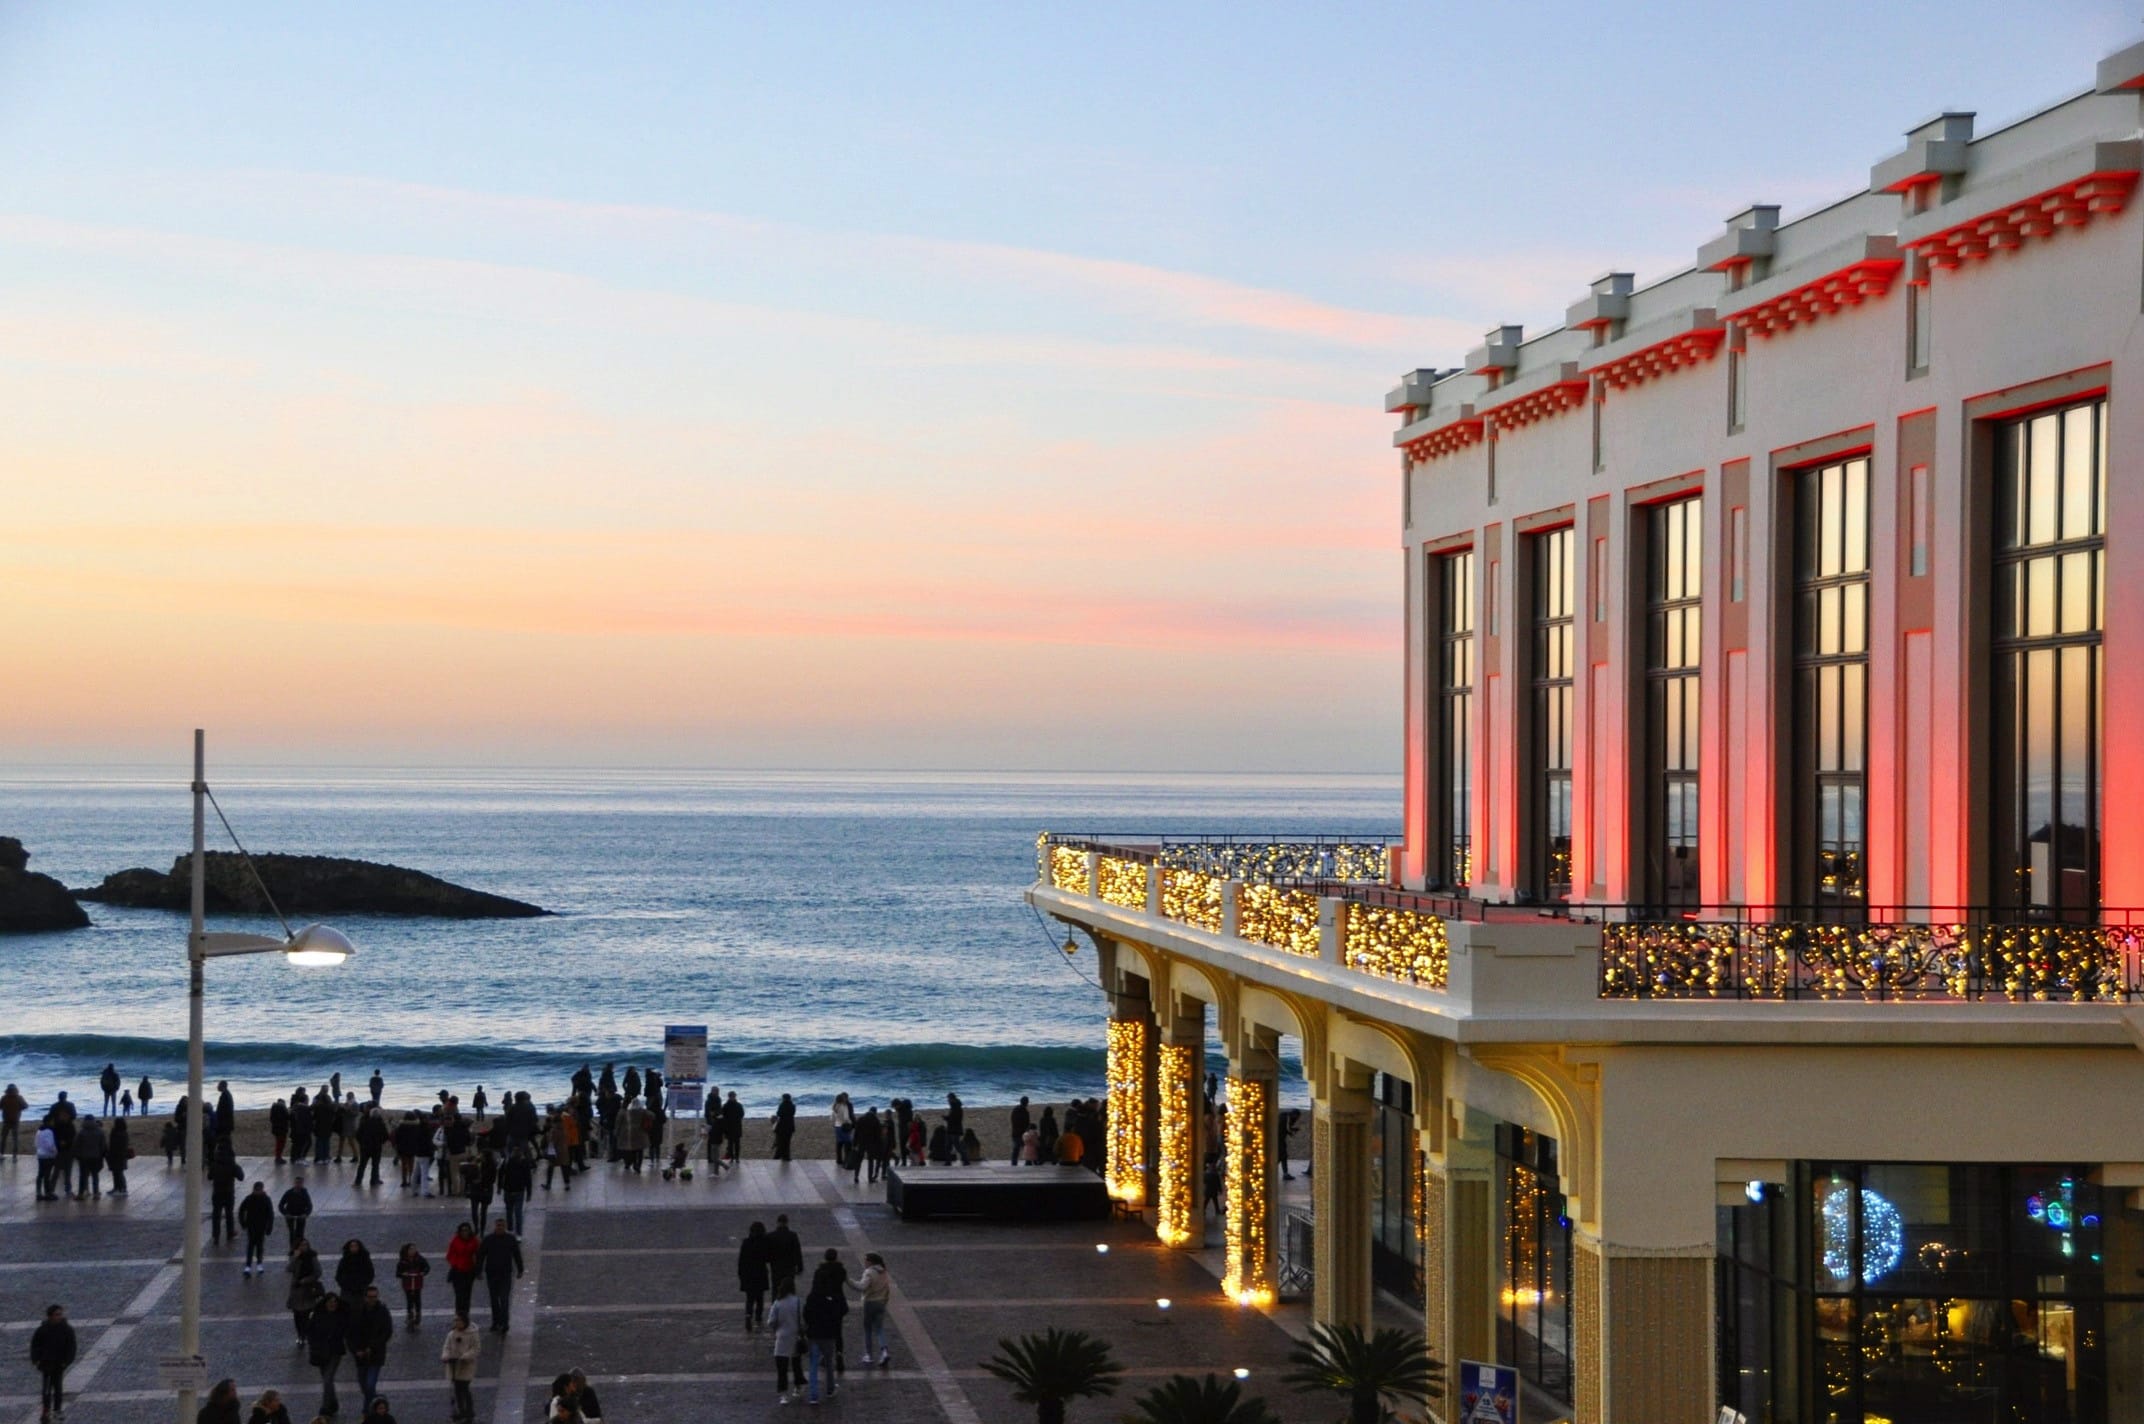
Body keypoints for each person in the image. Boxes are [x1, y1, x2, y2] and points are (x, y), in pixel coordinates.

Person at [802, 1275, 847, 1404]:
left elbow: (806, 1314)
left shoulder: (811, 1298)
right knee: (828, 1363)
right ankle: (830, 1389)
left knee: (813, 1365)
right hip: (828, 1335)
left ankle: (813, 1395)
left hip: (814, 1335)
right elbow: (837, 1314)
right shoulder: (831, 1298)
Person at [348, 1284, 393, 1410]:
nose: (373, 1299)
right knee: (364, 1385)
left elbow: (387, 1332)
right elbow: (350, 1333)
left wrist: (372, 1347)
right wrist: (356, 1350)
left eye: (375, 1297)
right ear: (365, 1297)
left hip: (376, 1354)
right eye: (370, 1297)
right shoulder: (356, 1312)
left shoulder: (382, 1311)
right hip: (360, 1355)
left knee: (369, 1384)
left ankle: (367, 1411)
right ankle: (377, 1400)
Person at [304, 1292, 347, 1420]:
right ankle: (333, 1403)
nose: (333, 1304)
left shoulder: (341, 1316)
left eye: (335, 1302)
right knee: (327, 1380)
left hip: (334, 1352)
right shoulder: (317, 1315)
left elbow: (344, 1330)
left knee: (327, 1379)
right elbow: (310, 1332)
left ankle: (325, 1408)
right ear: (325, 1303)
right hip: (321, 1352)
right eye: (330, 1302)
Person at [475, 1219, 523, 1333]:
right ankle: (496, 1322)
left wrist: (520, 1269)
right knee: (494, 1299)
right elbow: (481, 1255)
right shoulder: (488, 1240)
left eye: (502, 1225)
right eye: (498, 1225)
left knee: (504, 1299)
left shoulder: (510, 1239)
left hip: (505, 1273)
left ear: (505, 1226)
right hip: (492, 1273)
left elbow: (517, 1255)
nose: (500, 1227)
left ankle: (504, 1322)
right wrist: (479, 1270)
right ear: (495, 1226)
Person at [30, 1303, 73, 1423]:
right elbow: (35, 1346)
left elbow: (71, 1347)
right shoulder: (42, 1330)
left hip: (59, 1365)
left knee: (58, 1389)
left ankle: (57, 1410)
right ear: (50, 1316)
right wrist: (37, 1361)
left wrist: (66, 1362)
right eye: (57, 1315)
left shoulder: (66, 1330)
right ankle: (46, 1410)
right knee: (46, 1390)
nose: (59, 1317)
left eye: (60, 1314)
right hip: (46, 1364)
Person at [767, 1275, 805, 1405]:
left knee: (782, 1368)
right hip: (795, 1337)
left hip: (782, 1338)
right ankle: (798, 1387)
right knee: (796, 1365)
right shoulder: (798, 1301)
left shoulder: (778, 1302)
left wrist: (776, 1329)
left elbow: (771, 1321)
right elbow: (803, 1320)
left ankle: (783, 1394)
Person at [852, 1252, 892, 1366]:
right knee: (879, 1329)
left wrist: (849, 1281)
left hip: (870, 1303)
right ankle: (884, 1351)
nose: (864, 1262)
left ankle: (869, 1355)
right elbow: (887, 1288)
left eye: (866, 1260)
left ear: (870, 1261)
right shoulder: (883, 1271)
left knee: (868, 1329)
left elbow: (862, 1287)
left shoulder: (869, 1272)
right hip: (881, 1302)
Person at [439, 1315, 479, 1424]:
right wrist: (445, 1356)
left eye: (459, 1320)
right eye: (455, 1320)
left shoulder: (472, 1334)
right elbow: (446, 1347)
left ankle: (468, 1412)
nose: (456, 1322)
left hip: (465, 1367)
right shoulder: (452, 1334)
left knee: (464, 1389)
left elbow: (475, 1349)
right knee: (457, 1390)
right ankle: (461, 1411)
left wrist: (465, 1357)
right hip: (454, 1366)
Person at [286, 1241, 324, 1343]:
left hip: (308, 1289)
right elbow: (289, 1269)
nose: (304, 1247)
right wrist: (295, 1257)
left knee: (306, 1314)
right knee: (297, 1314)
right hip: (296, 1290)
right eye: (301, 1245)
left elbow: (318, 1272)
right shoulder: (295, 1257)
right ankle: (300, 1334)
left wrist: (305, 1280)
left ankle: (304, 1334)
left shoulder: (312, 1257)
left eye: (305, 1245)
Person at [737, 1220, 771, 1330]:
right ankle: (758, 1317)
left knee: (750, 1298)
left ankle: (748, 1315)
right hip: (760, 1273)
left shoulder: (746, 1243)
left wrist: (741, 1274)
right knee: (760, 1298)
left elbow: (741, 1260)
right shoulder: (764, 1243)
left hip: (748, 1275)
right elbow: (767, 1258)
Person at [443, 1222, 480, 1320]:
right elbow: (450, 1255)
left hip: (469, 1270)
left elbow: (478, 1253)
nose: (465, 1232)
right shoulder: (455, 1241)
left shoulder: (474, 1241)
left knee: (467, 1293)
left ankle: (465, 1313)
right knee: (459, 1294)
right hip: (458, 1271)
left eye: (466, 1230)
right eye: (463, 1230)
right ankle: (459, 1313)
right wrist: (455, 1263)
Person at [209, 1142, 245, 1240]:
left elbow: (209, 1176)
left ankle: (216, 1235)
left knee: (216, 1214)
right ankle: (230, 1233)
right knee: (229, 1214)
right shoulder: (232, 1164)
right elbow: (241, 1177)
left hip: (217, 1192)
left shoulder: (215, 1163)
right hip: (228, 1192)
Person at [239, 1182, 276, 1274]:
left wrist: (269, 1227)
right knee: (252, 1245)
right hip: (252, 1226)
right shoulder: (252, 1199)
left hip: (260, 1226)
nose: (258, 1192)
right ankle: (249, 1265)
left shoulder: (262, 1199)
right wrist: (243, 1223)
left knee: (259, 1245)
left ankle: (258, 1263)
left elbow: (270, 1214)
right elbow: (241, 1210)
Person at [393, 1243, 429, 1330]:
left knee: (417, 1299)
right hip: (407, 1283)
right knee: (409, 1299)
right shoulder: (403, 1261)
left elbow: (427, 1267)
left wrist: (423, 1272)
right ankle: (410, 1315)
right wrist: (403, 1274)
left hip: (417, 1282)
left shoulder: (420, 1259)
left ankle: (418, 1313)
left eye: (414, 1249)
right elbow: (398, 1273)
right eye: (411, 1249)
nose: (412, 1251)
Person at [71, 1114, 105, 1199]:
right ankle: (96, 1193)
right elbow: (103, 1145)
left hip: (84, 1157)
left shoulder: (81, 1132)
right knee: (95, 1176)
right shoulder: (99, 1131)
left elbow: (76, 1145)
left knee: (83, 1176)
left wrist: (76, 1155)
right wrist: (102, 1155)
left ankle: (81, 1194)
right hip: (96, 1156)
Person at [767, 1213, 805, 1284]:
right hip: (789, 1268)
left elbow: (767, 1252)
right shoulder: (792, 1235)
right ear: (787, 1223)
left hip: (776, 1267)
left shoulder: (771, 1236)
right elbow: (797, 1252)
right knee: (789, 1287)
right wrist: (800, 1267)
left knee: (776, 1287)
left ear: (778, 1222)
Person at [500, 1149, 532, 1233]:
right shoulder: (524, 1163)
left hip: (508, 1190)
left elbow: (501, 1174)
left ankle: (510, 1229)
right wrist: (529, 1193)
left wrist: (499, 1187)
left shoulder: (507, 1162)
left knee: (509, 1211)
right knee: (518, 1213)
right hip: (519, 1190)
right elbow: (528, 1179)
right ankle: (519, 1233)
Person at [465, 1150, 496, 1232]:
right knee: (479, 1212)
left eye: (481, 1155)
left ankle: (479, 1229)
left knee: (480, 1212)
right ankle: (478, 1228)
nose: (479, 1156)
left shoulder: (489, 1166)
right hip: (481, 1190)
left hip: (482, 1190)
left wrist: (481, 1180)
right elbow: (468, 1176)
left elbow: (492, 1179)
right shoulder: (477, 1164)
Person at [279, 1176, 314, 1246]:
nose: (298, 1185)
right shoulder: (289, 1193)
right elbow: (281, 1205)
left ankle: (300, 1248)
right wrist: (286, 1214)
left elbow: (309, 1206)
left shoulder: (304, 1193)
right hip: (290, 1215)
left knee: (300, 1233)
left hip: (301, 1216)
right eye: (297, 1183)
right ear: (294, 1183)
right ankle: (292, 1248)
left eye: (300, 1183)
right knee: (292, 1233)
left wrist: (305, 1214)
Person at [34, 1117, 60, 1201]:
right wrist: (55, 1151)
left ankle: (38, 1192)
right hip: (48, 1155)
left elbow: (36, 1143)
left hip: (40, 1154)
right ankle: (48, 1193)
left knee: (40, 1174)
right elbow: (50, 1145)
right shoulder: (49, 1131)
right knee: (47, 1175)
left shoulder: (39, 1131)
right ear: (49, 1122)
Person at [105, 1116, 130, 1197]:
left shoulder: (119, 1133)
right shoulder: (122, 1133)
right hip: (117, 1156)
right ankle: (117, 1188)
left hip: (118, 1156)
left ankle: (122, 1188)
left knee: (118, 1173)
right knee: (116, 1173)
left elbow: (116, 1145)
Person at [831, 1092, 854, 1169]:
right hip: (844, 1126)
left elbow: (832, 1118)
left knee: (839, 1143)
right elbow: (846, 1118)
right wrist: (850, 1123)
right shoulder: (844, 1107)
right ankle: (846, 1162)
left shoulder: (834, 1106)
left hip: (837, 1126)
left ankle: (839, 1160)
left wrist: (835, 1123)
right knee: (848, 1144)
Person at [290, 1090, 314, 1165]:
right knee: (305, 1143)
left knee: (298, 1144)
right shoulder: (305, 1108)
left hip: (296, 1129)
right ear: (305, 1100)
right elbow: (308, 1120)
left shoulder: (295, 1106)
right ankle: (300, 1158)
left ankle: (295, 1158)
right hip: (303, 1129)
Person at [0, 1082, 25, 1155]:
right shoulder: (19, 1098)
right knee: (15, 1139)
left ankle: (2, 1153)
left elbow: (0, 1107)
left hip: (6, 1120)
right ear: (16, 1090)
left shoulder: (4, 1098)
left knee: (4, 1138)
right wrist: (18, 1109)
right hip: (15, 1120)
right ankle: (15, 1155)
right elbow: (25, 1106)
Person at [771, 1093, 796, 1162]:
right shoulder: (793, 1105)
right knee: (787, 1142)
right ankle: (786, 1156)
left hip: (782, 1125)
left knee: (780, 1141)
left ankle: (778, 1156)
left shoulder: (782, 1105)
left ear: (784, 1098)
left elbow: (779, 1113)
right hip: (790, 1125)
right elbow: (793, 1113)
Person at [1009, 1097, 1031, 1165]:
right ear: (1026, 1103)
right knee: (1027, 1148)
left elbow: (1012, 1120)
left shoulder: (1015, 1110)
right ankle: (1028, 1162)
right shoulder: (1025, 1112)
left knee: (1016, 1149)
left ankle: (1014, 1163)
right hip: (1023, 1132)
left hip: (1015, 1132)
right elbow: (1027, 1123)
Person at [269, 1098, 291, 1165]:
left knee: (278, 1143)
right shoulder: (282, 1108)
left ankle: (278, 1157)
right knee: (281, 1144)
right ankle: (278, 1157)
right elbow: (287, 1116)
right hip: (282, 1129)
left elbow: (271, 1119)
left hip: (276, 1129)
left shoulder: (274, 1108)